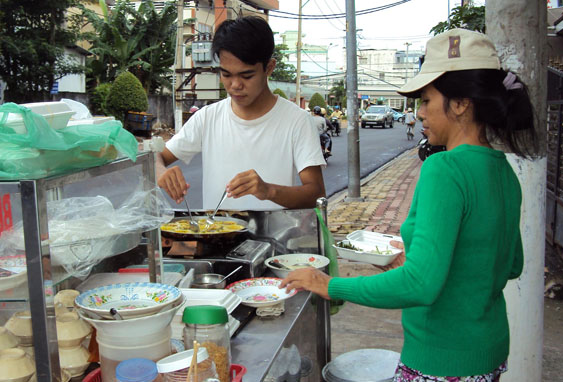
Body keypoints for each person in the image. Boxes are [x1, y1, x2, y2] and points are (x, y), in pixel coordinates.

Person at [280, 28, 538, 381]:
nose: (419, 114)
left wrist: (327, 284)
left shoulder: (444, 168)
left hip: (441, 359)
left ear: (461, 103)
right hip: (488, 352)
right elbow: (510, 264)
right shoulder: (504, 171)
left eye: (427, 101)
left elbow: (420, 285)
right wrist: (421, 259)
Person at [156, 16, 326, 210]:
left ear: (269, 68)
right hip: (216, 235)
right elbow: (156, 156)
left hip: (273, 237)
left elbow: (316, 193)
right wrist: (161, 172)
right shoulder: (207, 118)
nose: (235, 85)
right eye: (226, 74)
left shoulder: (297, 121)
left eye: (247, 75)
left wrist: (268, 190)